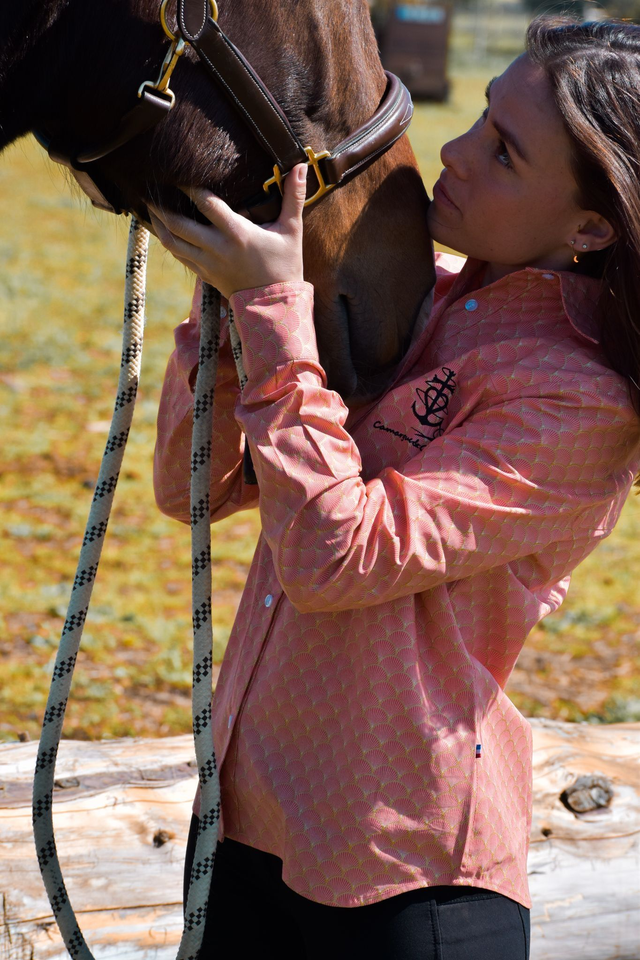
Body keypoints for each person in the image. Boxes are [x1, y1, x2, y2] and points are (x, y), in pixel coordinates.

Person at [150, 17, 640, 960]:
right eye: (479, 118)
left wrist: (275, 318)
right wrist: (232, 308)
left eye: (503, 152)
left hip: (404, 892)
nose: (452, 153)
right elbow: (195, 491)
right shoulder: (410, 300)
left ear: (590, 225)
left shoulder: (580, 405)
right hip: (246, 832)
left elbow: (340, 555)